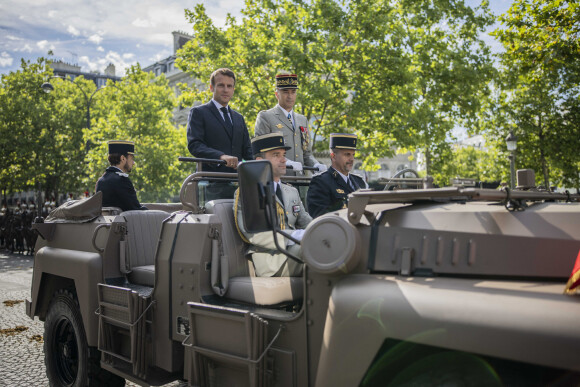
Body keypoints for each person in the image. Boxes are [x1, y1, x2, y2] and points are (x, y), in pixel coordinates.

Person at [234, 133, 312, 277]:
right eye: (276, 155)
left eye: (284, 154)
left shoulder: (291, 191)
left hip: (293, 251)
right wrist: (295, 235)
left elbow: (306, 222)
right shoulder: (249, 192)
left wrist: (325, 228)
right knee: (315, 250)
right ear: (259, 161)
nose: (284, 160)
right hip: (270, 259)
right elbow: (253, 233)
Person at [254, 73, 326, 175]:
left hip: (301, 182)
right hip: (279, 179)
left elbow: (306, 153)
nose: (290, 96)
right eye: (285, 92)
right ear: (276, 94)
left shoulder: (302, 120)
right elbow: (262, 152)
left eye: (293, 92)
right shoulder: (266, 117)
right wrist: (287, 162)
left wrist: (315, 165)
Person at [186, 68, 253, 173]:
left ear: (233, 89)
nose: (226, 90)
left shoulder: (238, 118)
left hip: (238, 181)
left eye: (229, 86)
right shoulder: (198, 112)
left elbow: (248, 151)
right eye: (221, 85)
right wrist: (220, 156)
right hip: (210, 180)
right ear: (211, 88)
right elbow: (195, 145)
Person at [307, 133, 368, 218]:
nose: (352, 159)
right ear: (333, 156)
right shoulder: (321, 182)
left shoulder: (359, 181)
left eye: (353, 155)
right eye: (347, 154)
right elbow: (320, 216)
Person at [95, 140, 147, 212]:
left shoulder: (101, 181)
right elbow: (136, 209)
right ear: (123, 158)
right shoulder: (122, 180)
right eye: (131, 158)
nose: (133, 163)